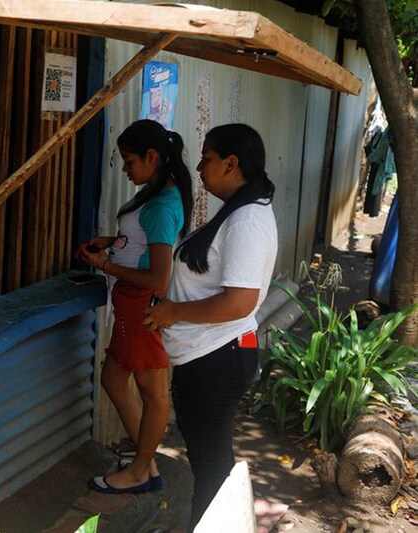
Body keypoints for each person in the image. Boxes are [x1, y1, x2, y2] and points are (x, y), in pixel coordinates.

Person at [144, 123, 277, 528]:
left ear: (232, 164)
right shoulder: (239, 211)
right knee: (210, 461)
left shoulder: (247, 221)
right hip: (211, 356)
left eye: (207, 158)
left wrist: (174, 313)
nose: (199, 168)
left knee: (212, 468)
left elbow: (240, 302)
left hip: (216, 358)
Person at [77, 119, 193, 494]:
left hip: (141, 305)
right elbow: (144, 244)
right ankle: (146, 461)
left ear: (152, 156)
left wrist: (105, 265)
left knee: (153, 392)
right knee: (115, 379)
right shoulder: (156, 195)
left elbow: (158, 277)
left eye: (129, 161)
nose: (125, 168)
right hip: (130, 304)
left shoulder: (160, 205)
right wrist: (115, 239)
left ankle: (142, 470)